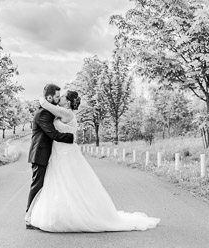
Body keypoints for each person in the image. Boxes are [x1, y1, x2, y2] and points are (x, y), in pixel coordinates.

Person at [28, 89, 160, 232]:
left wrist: (42, 99)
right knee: (62, 183)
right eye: (59, 96)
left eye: (63, 97)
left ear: (68, 102)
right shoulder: (62, 111)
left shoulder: (66, 113)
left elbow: (46, 105)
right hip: (59, 152)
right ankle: (63, 214)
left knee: (68, 182)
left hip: (65, 152)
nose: (61, 98)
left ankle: (73, 216)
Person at [26, 83, 75, 229]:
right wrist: (72, 137)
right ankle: (29, 217)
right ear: (49, 98)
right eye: (57, 97)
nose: (59, 99)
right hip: (40, 154)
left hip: (48, 154)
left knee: (46, 186)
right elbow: (53, 134)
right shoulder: (43, 114)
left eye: (60, 97)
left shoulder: (49, 111)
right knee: (37, 185)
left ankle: (40, 216)